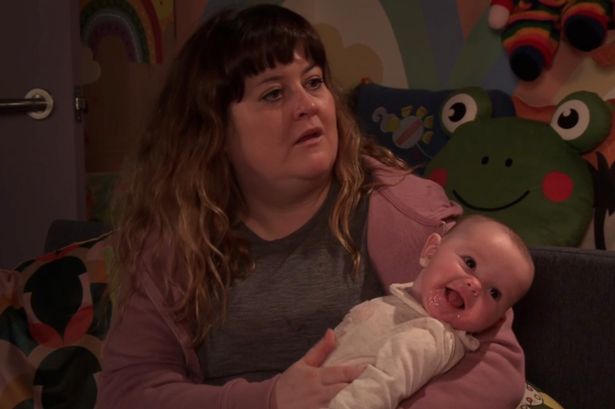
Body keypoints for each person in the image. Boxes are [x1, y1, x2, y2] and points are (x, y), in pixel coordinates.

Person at [99, 4, 528, 409]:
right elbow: (127, 391)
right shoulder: (176, 237)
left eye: (314, 82)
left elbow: (497, 371)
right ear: (214, 129)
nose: (307, 106)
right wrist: (268, 400)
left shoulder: (407, 212)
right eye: (273, 94)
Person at [324, 215, 535, 409]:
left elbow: (379, 389)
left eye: (494, 293)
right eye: (470, 263)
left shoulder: (429, 337)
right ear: (431, 251)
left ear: (495, 320)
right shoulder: (401, 306)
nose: (475, 286)